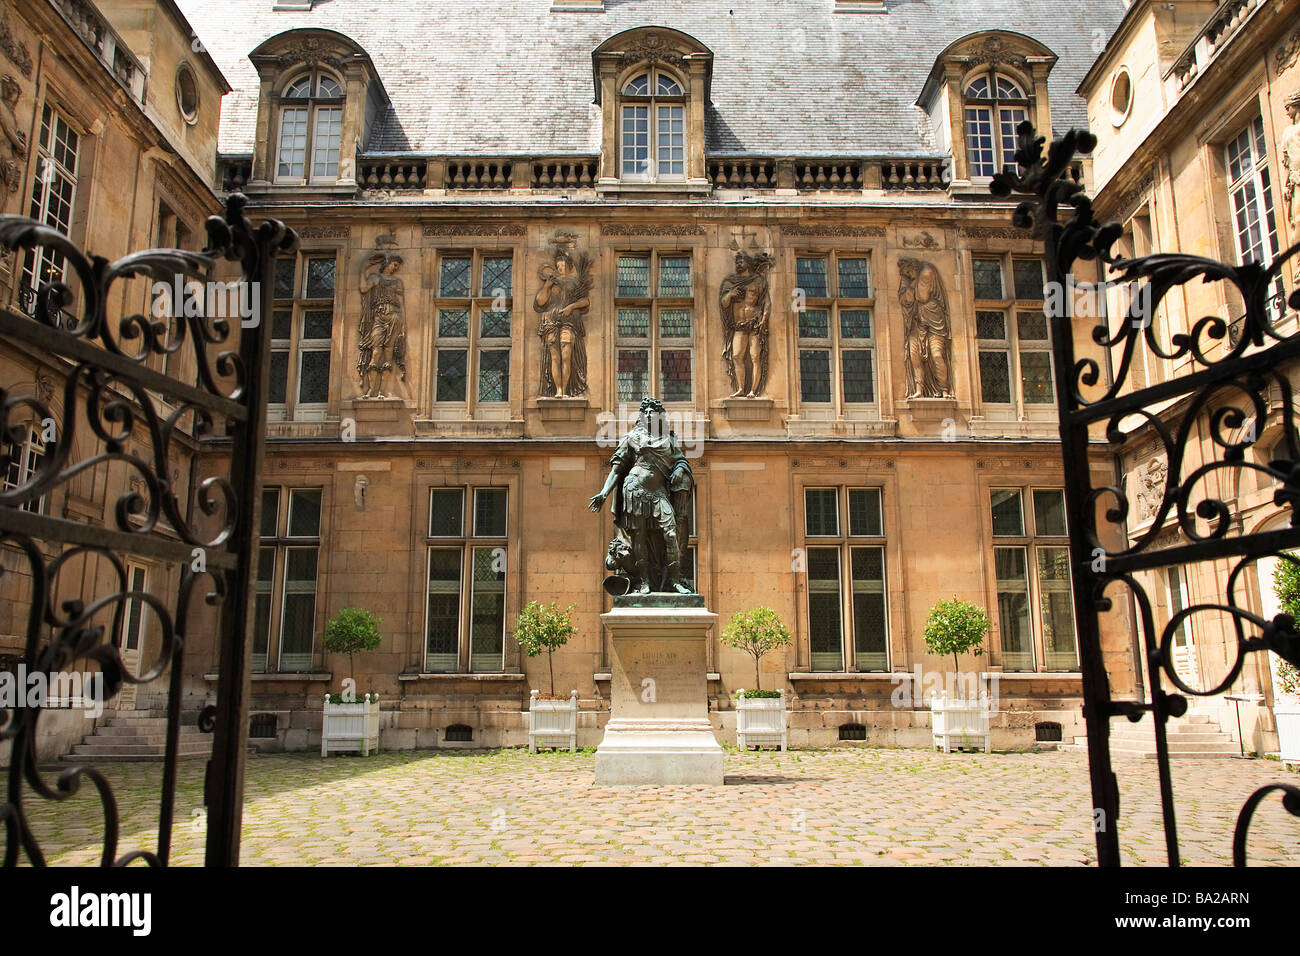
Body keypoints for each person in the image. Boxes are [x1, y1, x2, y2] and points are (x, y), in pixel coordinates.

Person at [589, 396, 693, 595]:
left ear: (659, 415)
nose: (647, 414)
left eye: (651, 411)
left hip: (658, 492)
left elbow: (681, 461)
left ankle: (675, 581)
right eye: (644, 411)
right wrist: (604, 492)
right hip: (634, 489)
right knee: (640, 536)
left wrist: (680, 469)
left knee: (670, 533)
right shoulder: (631, 438)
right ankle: (644, 582)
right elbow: (617, 469)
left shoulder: (669, 440)